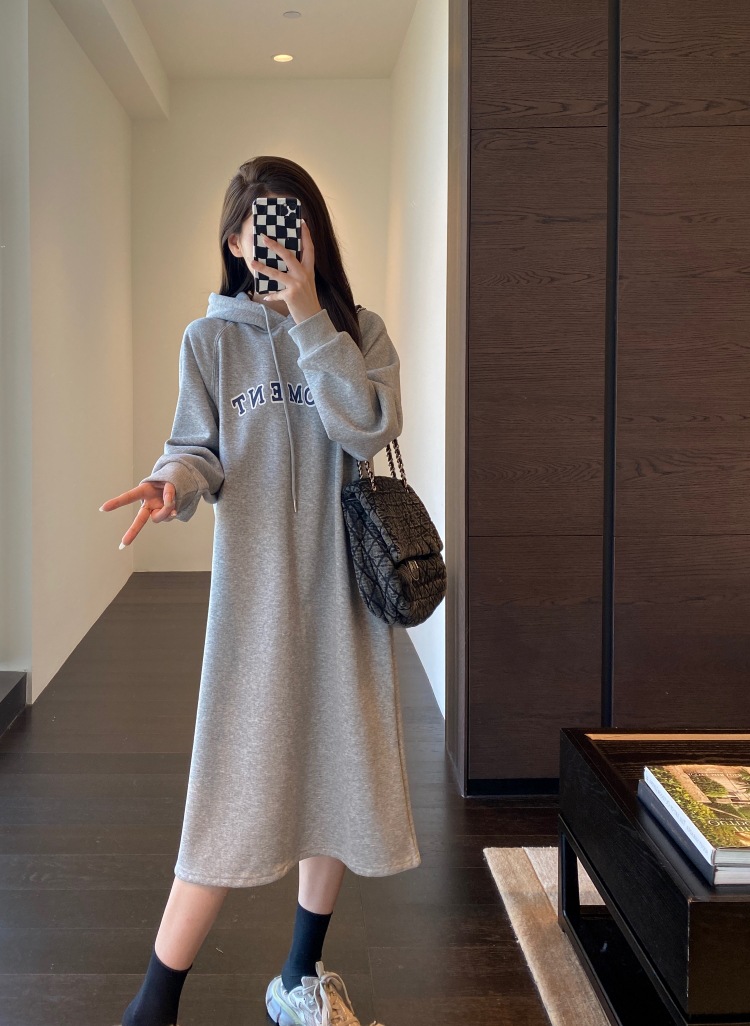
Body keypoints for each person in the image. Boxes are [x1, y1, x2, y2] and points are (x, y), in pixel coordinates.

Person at [99, 155, 421, 1026]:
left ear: (314, 231)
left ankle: (298, 977)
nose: (271, 238)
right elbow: (197, 448)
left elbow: (367, 428)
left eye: (289, 219)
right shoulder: (210, 341)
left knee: (337, 784)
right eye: (255, 225)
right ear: (234, 242)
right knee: (228, 795)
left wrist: (311, 316)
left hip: (347, 604)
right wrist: (172, 482)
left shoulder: (360, 332)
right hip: (256, 607)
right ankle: (153, 1005)